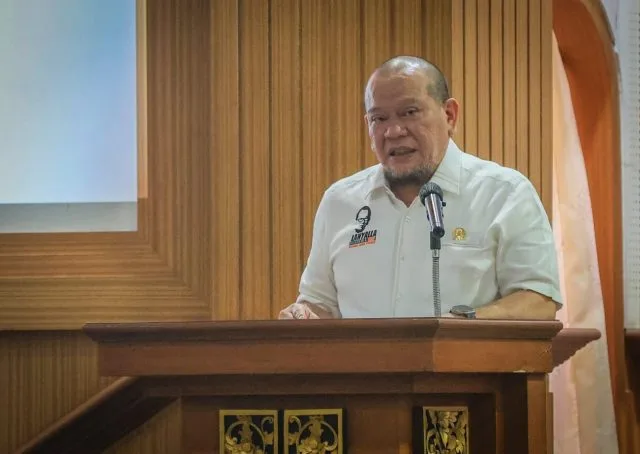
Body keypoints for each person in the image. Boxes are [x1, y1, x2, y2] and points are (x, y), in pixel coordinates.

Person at [279, 56, 561, 320]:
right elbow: (319, 303)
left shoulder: (504, 193)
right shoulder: (340, 201)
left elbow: (538, 300)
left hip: (465, 358)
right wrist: (303, 313)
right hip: (360, 360)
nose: (393, 131)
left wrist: (461, 326)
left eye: (409, 112)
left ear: (449, 115)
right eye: (379, 119)